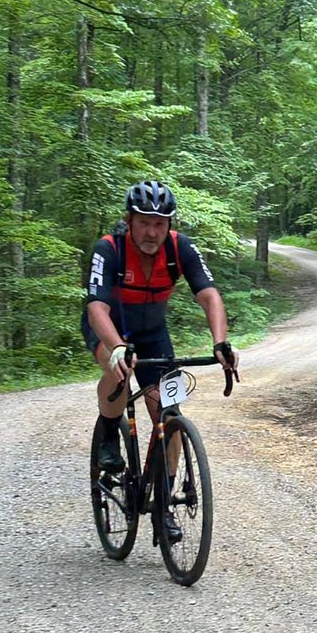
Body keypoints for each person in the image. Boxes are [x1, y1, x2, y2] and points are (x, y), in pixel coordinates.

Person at [84, 180, 237, 486]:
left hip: (153, 333)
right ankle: (110, 433)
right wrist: (116, 347)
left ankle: (164, 496)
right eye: (143, 223)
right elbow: (96, 308)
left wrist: (220, 341)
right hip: (110, 328)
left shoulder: (181, 247)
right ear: (129, 221)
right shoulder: (109, 248)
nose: (151, 232)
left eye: (159, 224)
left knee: (168, 415)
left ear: (169, 224)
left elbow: (209, 296)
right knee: (120, 372)